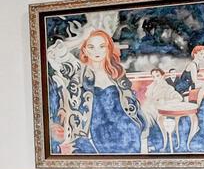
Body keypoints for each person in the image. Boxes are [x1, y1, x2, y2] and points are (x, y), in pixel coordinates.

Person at [50, 26, 146, 155]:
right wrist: (82, 37)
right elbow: (52, 54)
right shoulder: (78, 72)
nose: (97, 51)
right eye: (91, 47)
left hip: (127, 134)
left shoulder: (115, 73)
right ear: (84, 49)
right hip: (94, 136)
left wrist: (139, 126)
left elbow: (132, 103)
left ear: (108, 49)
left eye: (102, 46)